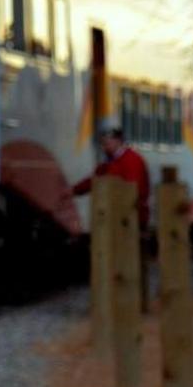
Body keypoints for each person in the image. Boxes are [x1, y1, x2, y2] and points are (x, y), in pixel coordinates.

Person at [72, 118, 153, 308]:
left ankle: (130, 304)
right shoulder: (111, 162)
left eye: (107, 141)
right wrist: (73, 191)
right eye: (102, 141)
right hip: (116, 220)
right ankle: (120, 302)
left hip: (130, 220)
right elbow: (95, 180)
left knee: (128, 263)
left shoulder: (131, 161)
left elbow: (133, 190)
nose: (104, 145)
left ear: (118, 140)